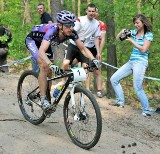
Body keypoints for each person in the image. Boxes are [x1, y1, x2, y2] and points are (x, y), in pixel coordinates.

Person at [25, 10, 101, 111]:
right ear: (60, 25)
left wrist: (93, 59)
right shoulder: (52, 31)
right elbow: (41, 52)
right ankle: (43, 100)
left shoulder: (71, 33)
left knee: (49, 72)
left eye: (72, 24)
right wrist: (50, 64)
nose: (71, 28)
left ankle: (47, 97)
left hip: (45, 43)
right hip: (33, 41)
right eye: (68, 25)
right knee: (44, 66)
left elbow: (82, 48)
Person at [110, 14, 153, 117]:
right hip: (131, 62)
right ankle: (120, 102)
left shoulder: (148, 35)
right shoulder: (134, 33)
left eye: (137, 22)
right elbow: (118, 39)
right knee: (114, 79)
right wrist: (122, 31)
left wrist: (132, 41)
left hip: (141, 62)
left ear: (143, 23)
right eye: (134, 23)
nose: (135, 24)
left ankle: (146, 110)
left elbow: (144, 50)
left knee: (137, 87)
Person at [62, 4, 101, 94]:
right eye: (89, 11)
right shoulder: (80, 20)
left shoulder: (97, 24)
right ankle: (63, 81)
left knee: (86, 67)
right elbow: (72, 31)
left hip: (84, 47)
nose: (91, 13)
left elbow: (96, 38)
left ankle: (86, 89)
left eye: (93, 11)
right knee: (66, 63)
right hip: (73, 44)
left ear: (95, 12)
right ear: (86, 11)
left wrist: (98, 52)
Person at [86, 7, 107, 97]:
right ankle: (87, 89)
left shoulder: (101, 24)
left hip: (96, 48)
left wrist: (99, 52)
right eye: (92, 12)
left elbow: (102, 39)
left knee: (97, 70)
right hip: (87, 47)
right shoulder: (87, 22)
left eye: (95, 12)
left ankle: (99, 90)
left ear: (97, 13)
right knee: (86, 68)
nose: (94, 13)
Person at [32, 3, 53, 73]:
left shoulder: (46, 15)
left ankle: (37, 72)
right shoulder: (42, 17)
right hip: (44, 40)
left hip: (46, 41)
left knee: (36, 56)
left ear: (44, 9)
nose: (39, 10)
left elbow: (51, 24)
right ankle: (41, 72)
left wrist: (46, 32)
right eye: (38, 9)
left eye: (41, 8)